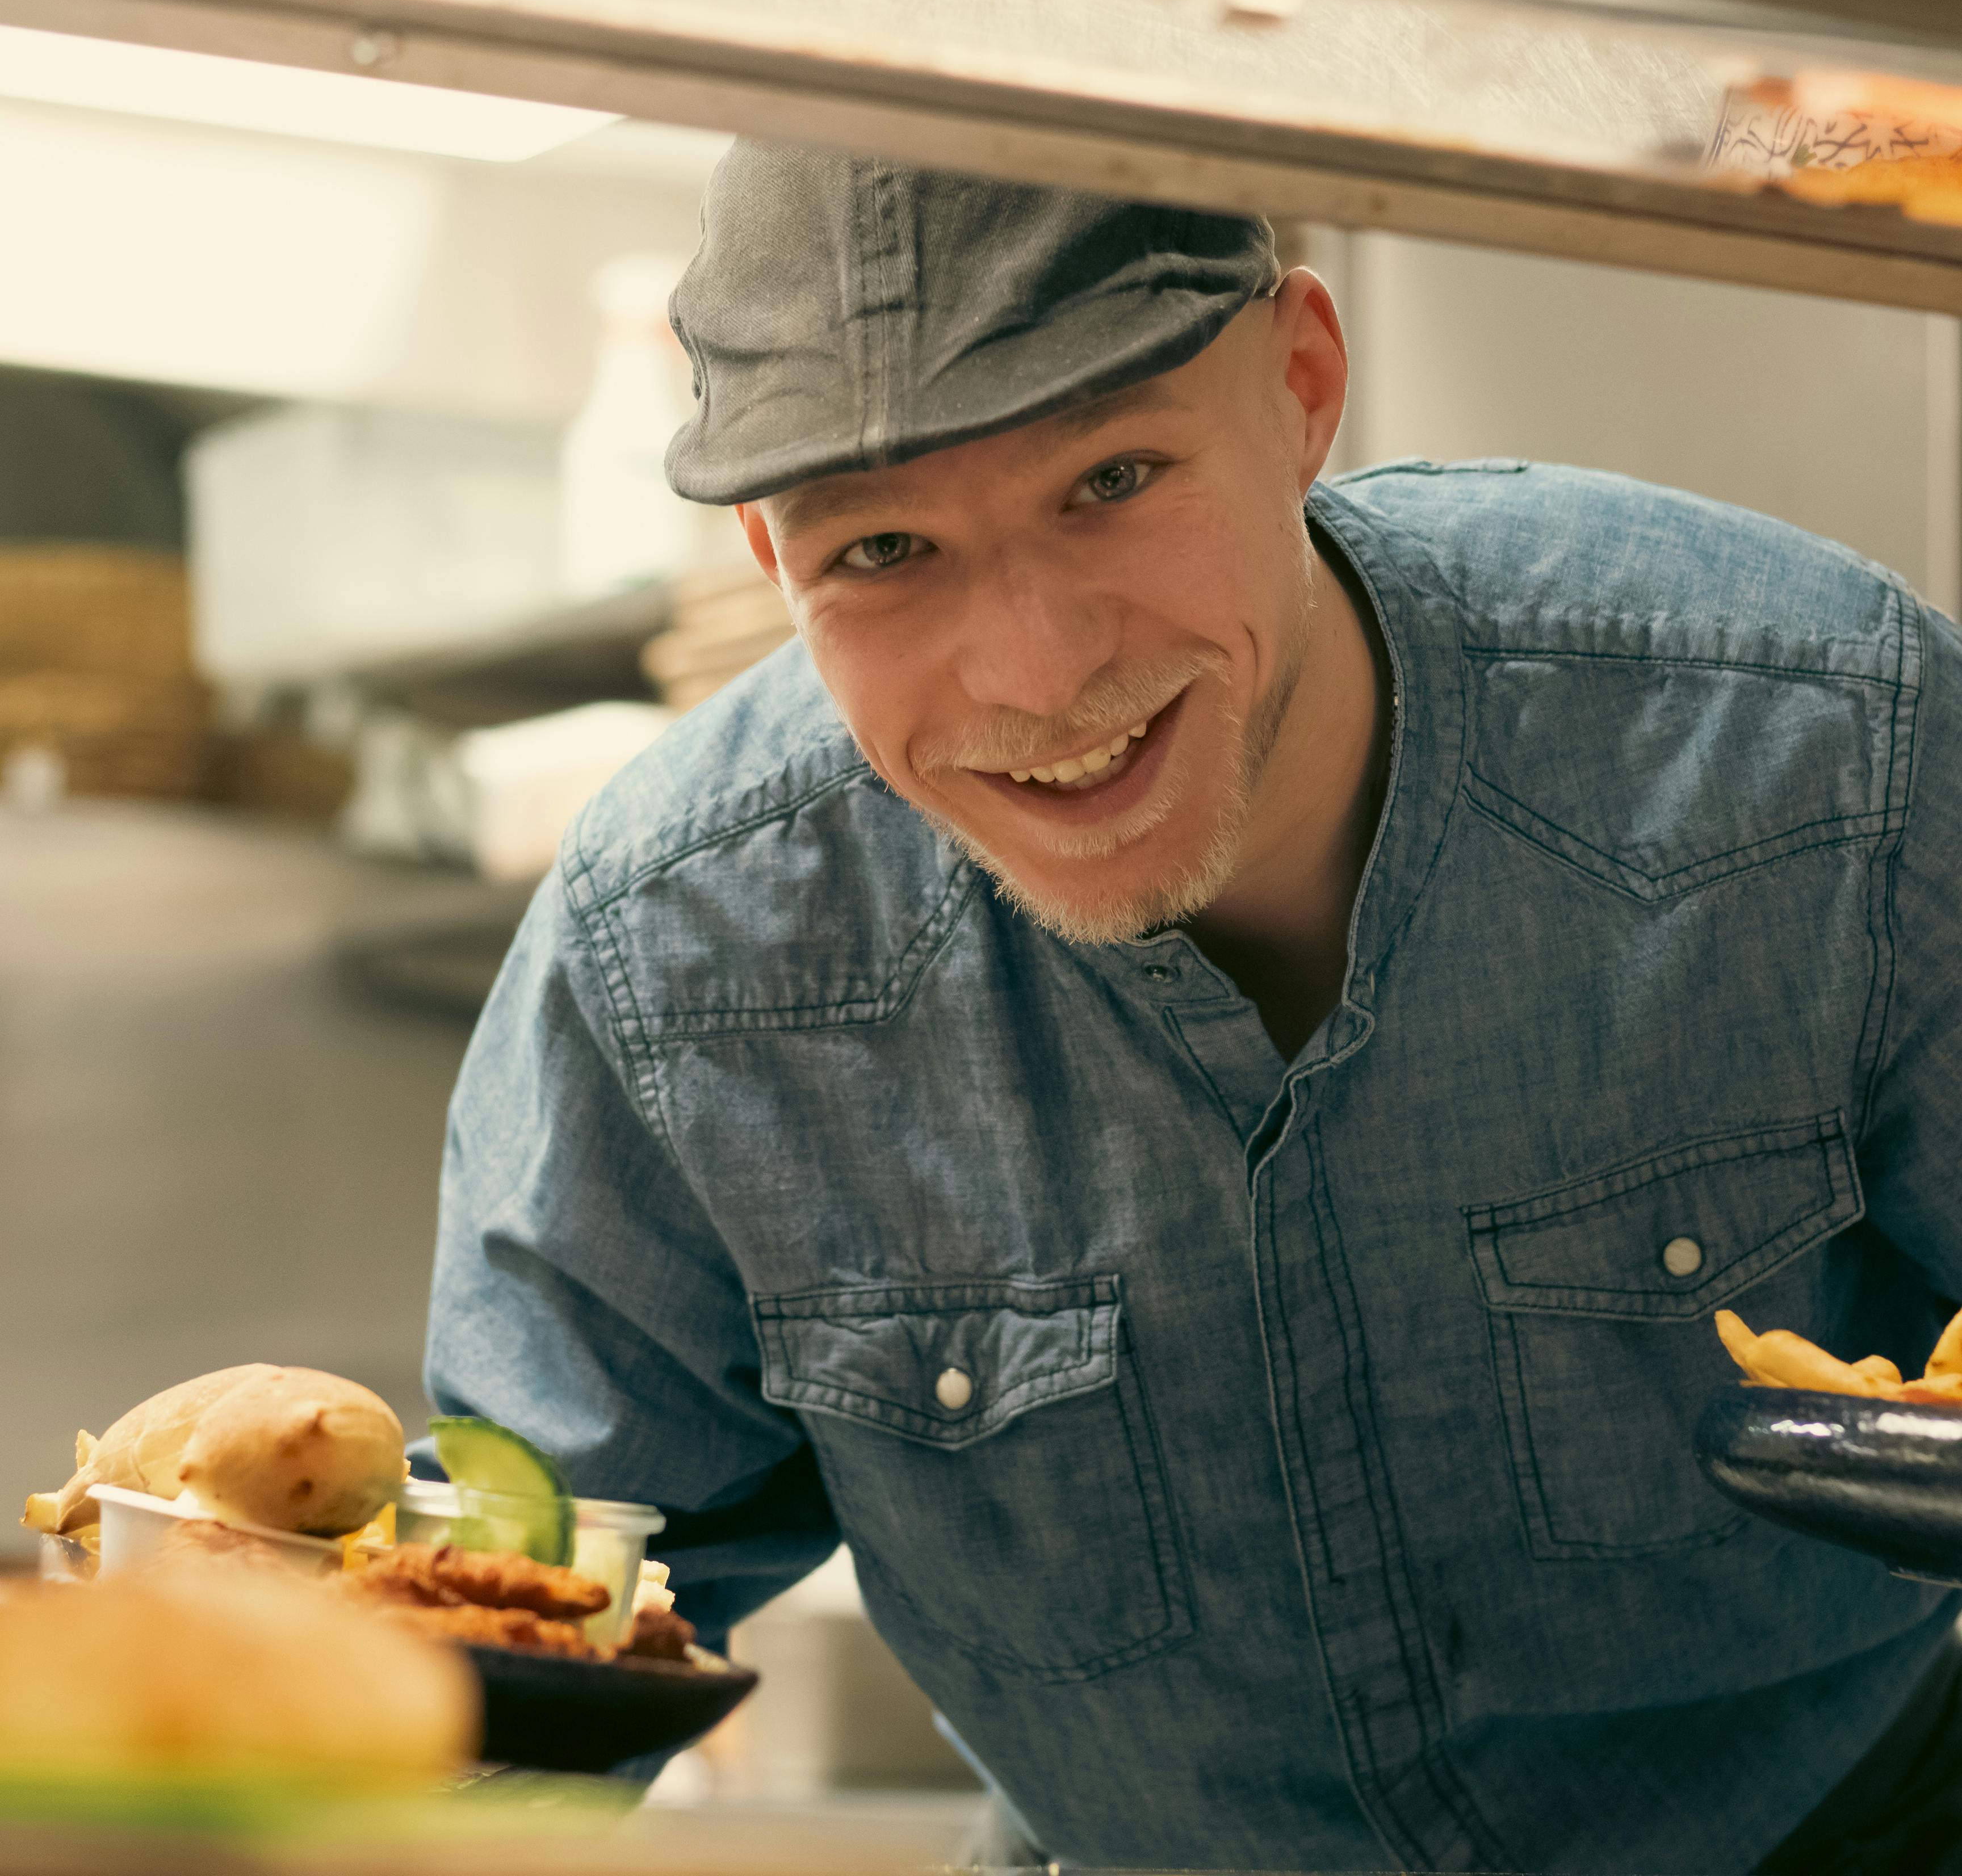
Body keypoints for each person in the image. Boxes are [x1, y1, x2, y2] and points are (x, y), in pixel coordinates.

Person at [426, 140, 1962, 1873]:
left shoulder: (1825, 749)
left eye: (1115, 477)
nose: (1038, 671)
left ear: (1300, 386)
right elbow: (521, 1625)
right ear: (772, 557)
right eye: (885, 549)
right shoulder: (672, 958)